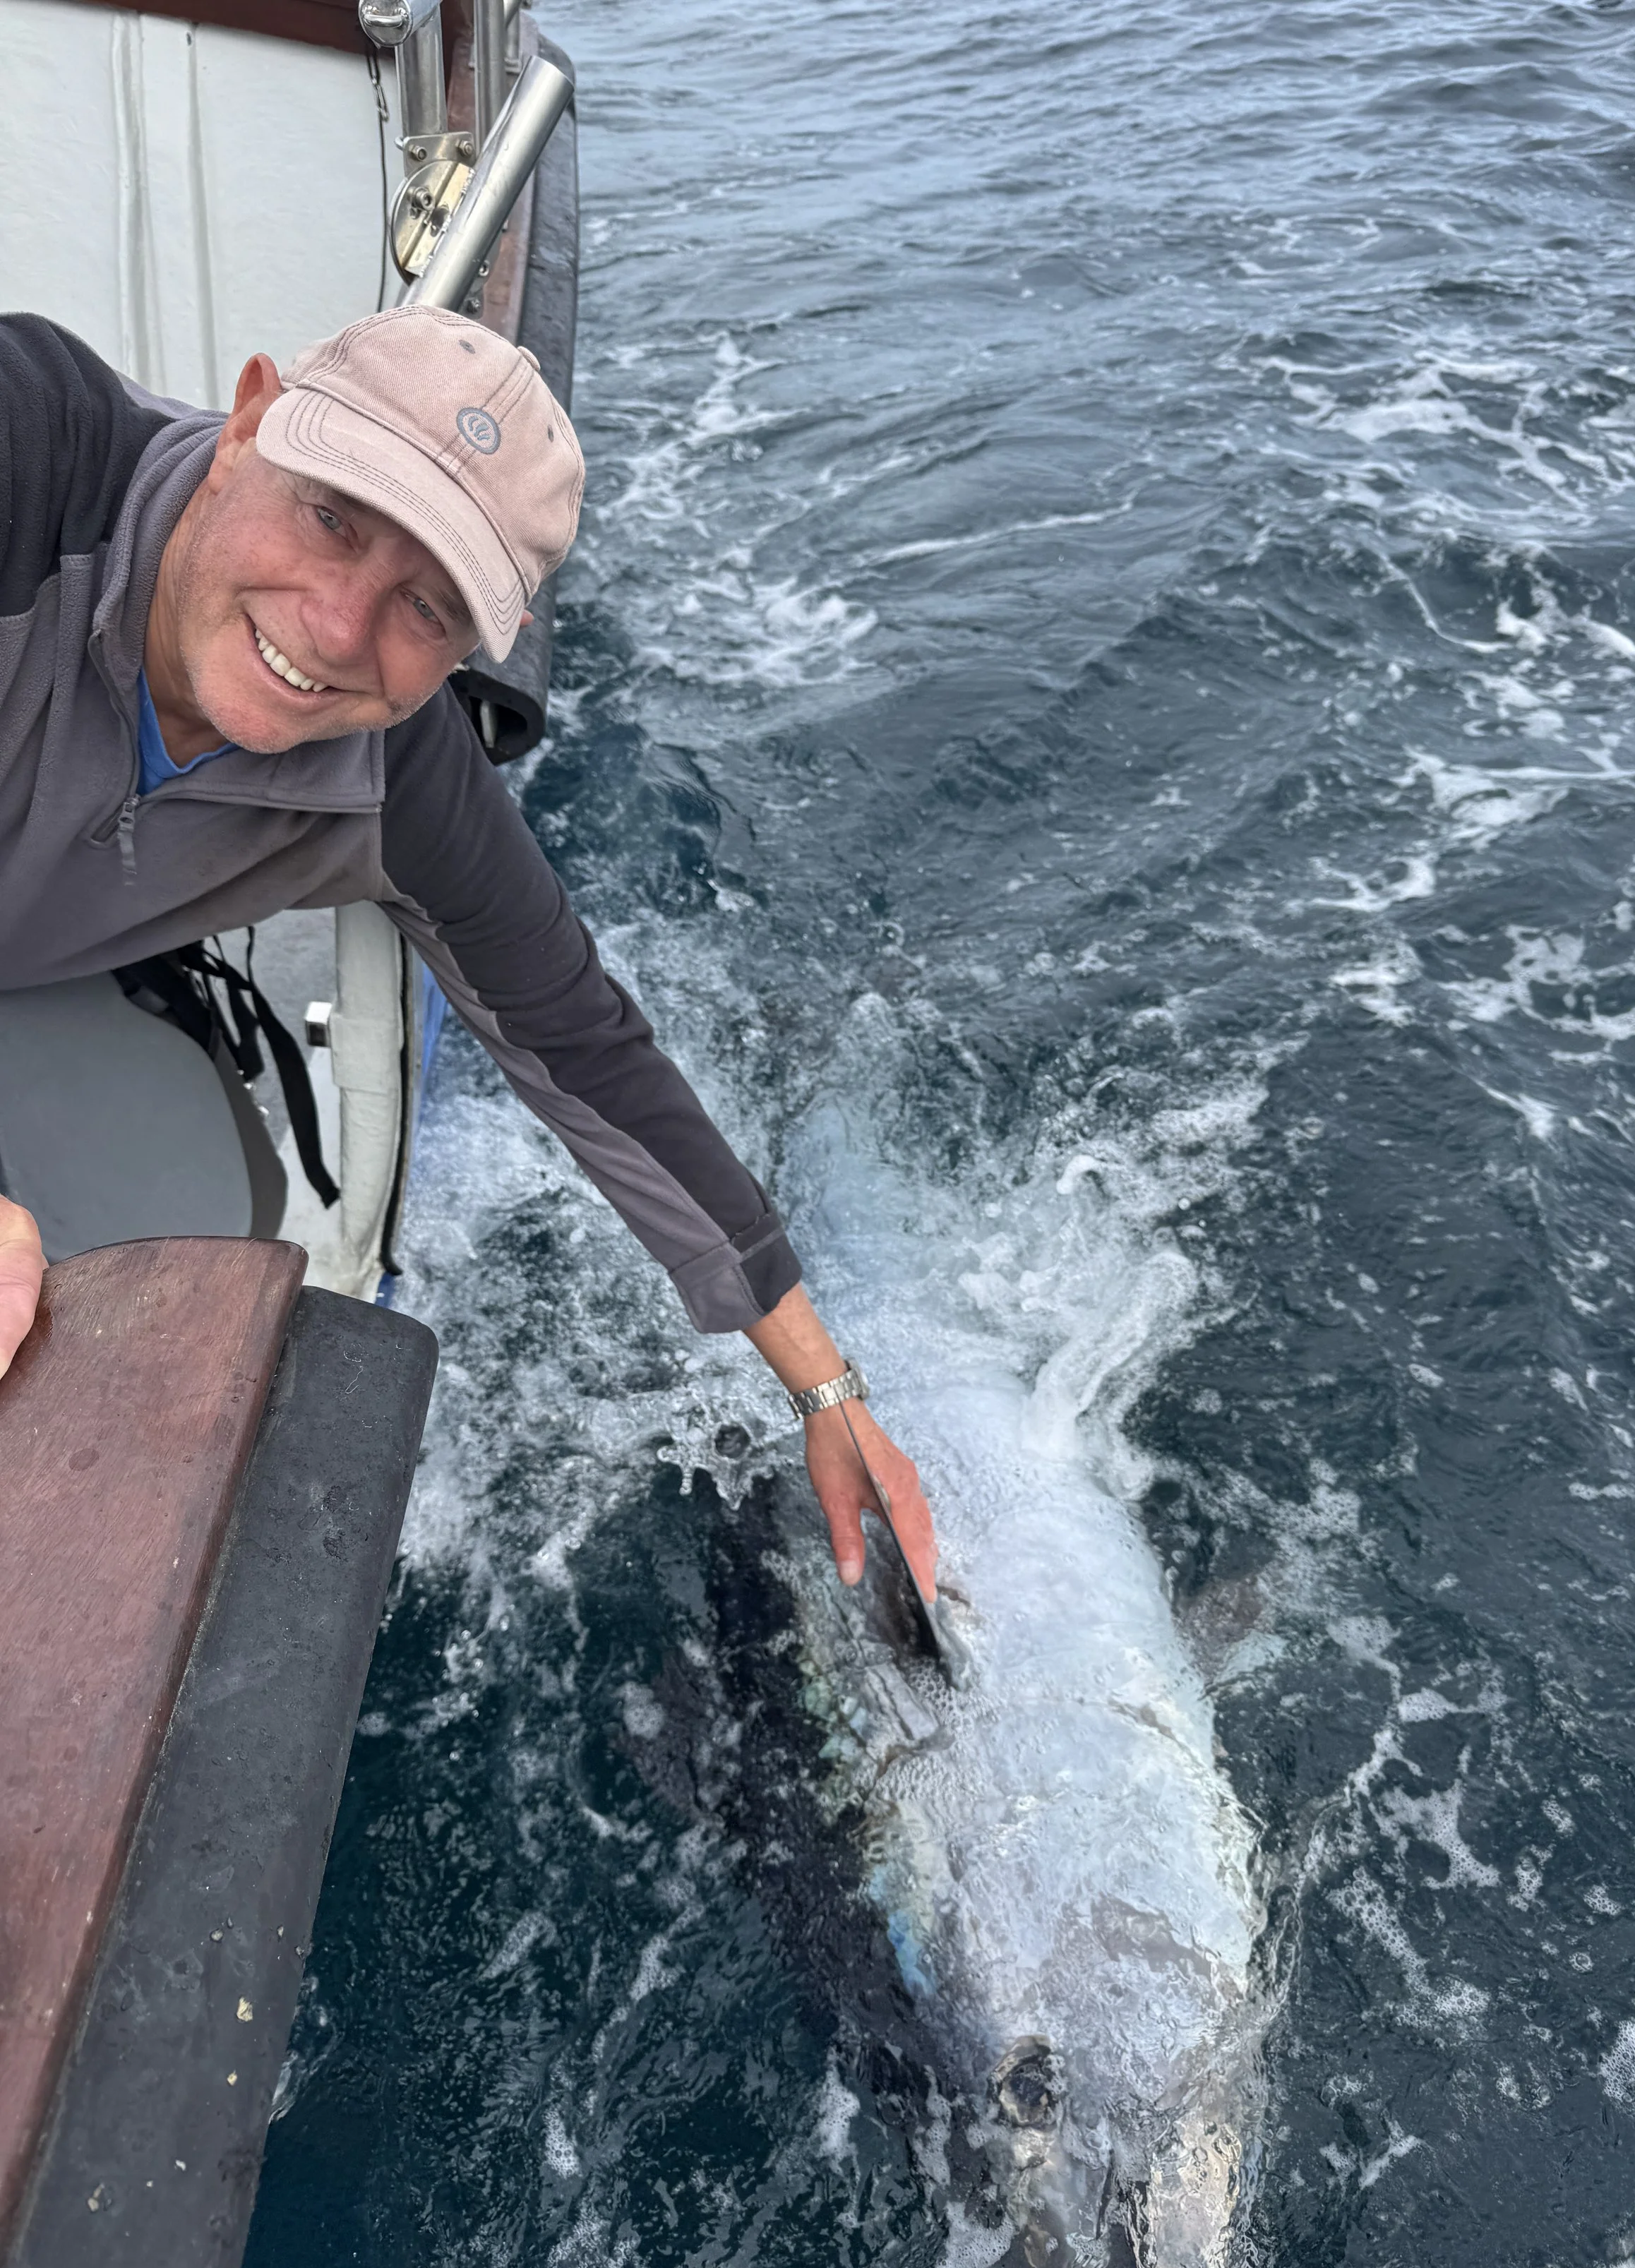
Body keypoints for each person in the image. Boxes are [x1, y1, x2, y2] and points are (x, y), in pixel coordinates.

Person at [0, 307, 937, 1598]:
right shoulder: (29, 443)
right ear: (250, 420)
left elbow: (584, 1046)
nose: (336, 627)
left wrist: (828, 1391)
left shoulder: (400, 773)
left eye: (426, 605)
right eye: (332, 515)